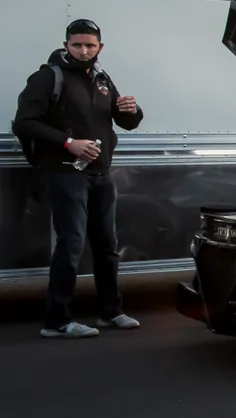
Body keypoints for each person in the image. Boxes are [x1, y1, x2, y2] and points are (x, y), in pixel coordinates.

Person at [11, 19, 144, 338]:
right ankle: (57, 321)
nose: (84, 50)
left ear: (100, 48)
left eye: (90, 45)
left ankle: (111, 312)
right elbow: (25, 123)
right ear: (66, 44)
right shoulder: (48, 77)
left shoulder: (101, 78)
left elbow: (126, 123)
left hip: (100, 173)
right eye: (77, 45)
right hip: (63, 174)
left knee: (107, 245)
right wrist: (68, 143)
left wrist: (131, 110)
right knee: (70, 245)